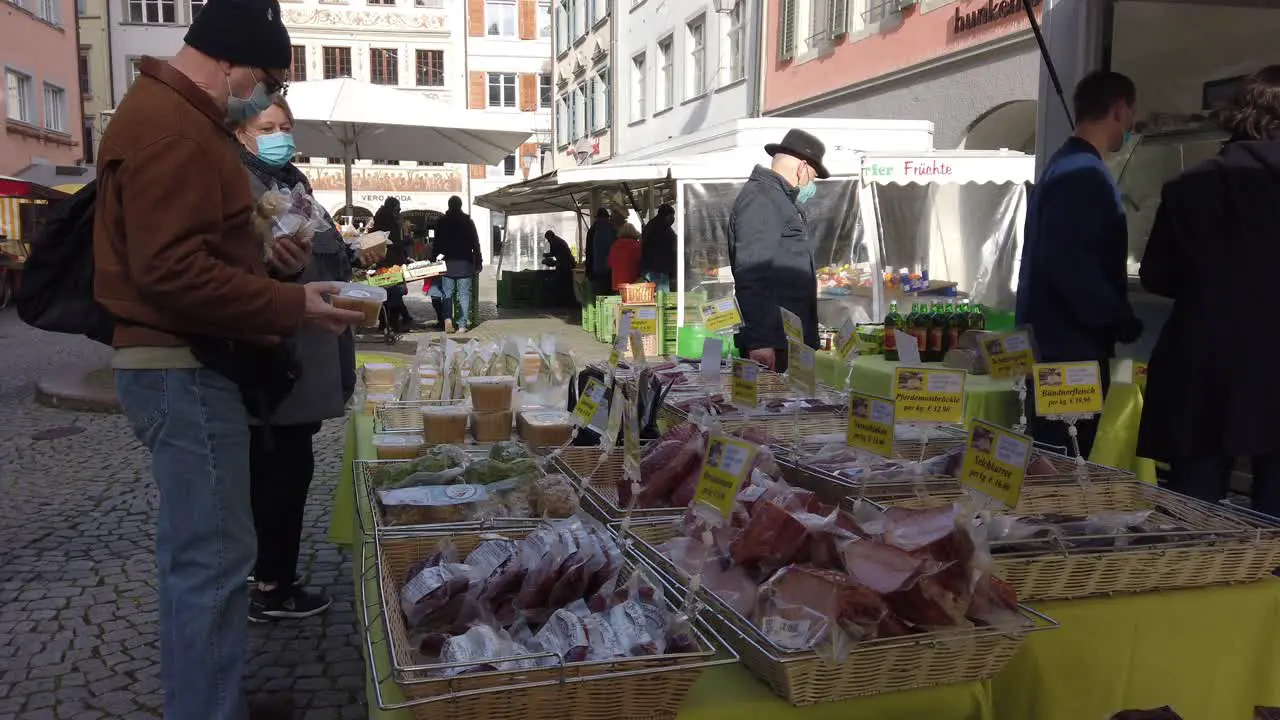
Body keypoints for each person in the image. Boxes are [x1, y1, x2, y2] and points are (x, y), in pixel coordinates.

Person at [91, 2, 364, 718]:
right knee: (212, 565)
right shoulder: (174, 129)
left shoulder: (178, 120)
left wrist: (272, 267)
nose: (270, 96)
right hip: (180, 365)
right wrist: (294, 305)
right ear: (232, 62)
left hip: (188, 359)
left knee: (208, 559)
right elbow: (172, 273)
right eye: (269, 81)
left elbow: (192, 257)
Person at [1138, 65, 1280, 515]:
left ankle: (1196, 581)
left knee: (1192, 507)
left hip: (1203, 361)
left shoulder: (1188, 186)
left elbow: (1157, 275)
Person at [233, 95, 352, 621]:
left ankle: (272, 573)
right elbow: (251, 265)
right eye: (268, 126)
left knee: (291, 466)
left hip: (303, 349)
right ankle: (270, 585)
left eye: (286, 125)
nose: (281, 134)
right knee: (276, 472)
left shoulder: (291, 182)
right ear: (241, 132)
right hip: (272, 359)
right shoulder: (243, 184)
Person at [1015, 70, 1144, 458]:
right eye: (1132, 114)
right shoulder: (1084, 173)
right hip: (1071, 353)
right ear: (1119, 110)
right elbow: (1072, 264)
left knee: (1057, 458)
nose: (1132, 125)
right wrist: (1119, 319)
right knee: (1066, 459)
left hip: (1057, 346)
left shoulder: (1063, 165)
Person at [728, 129, 828, 373]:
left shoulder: (778, 199)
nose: (810, 184)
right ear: (802, 167)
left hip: (789, 337)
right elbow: (752, 272)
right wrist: (760, 341)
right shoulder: (763, 198)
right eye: (812, 177)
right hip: (774, 341)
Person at [434, 195, 482, 333]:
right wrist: (478, 261)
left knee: (447, 294)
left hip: (447, 264)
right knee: (464, 294)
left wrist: (433, 259)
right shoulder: (468, 221)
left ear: (449, 206)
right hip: (465, 263)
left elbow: (437, 243)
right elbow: (475, 243)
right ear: (460, 206)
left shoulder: (442, 222)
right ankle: (462, 325)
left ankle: (448, 319)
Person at [372, 196, 415, 331]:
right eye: (398, 207)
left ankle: (384, 322)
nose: (400, 209)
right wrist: (406, 242)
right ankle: (393, 323)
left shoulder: (379, 220)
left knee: (384, 293)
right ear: (393, 208)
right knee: (395, 292)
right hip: (392, 262)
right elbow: (393, 244)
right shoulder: (390, 222)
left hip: (381, 261)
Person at [639, 203, 678, 289]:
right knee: (662, 299)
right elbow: (672, 249)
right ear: (667, 215)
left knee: (649, 297)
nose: (673, 219)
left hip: (646, 268)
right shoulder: (665, 229)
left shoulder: (650, 225)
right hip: (660, 269)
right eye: (671, 216)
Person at [584, 207, 616, 296]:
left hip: (596, 269)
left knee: (599, 294)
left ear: (597, 217)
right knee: (609, 294)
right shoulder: (613, 230)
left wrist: (588, 270)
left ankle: (600, 308)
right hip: (611, 269)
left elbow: (588, 251)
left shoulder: (592, 230)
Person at [608, 222, 642, 290]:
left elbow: (610, 264)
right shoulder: (637, 246)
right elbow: (641, 263)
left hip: (617, 283)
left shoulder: (614, 245)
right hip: (632, 283)